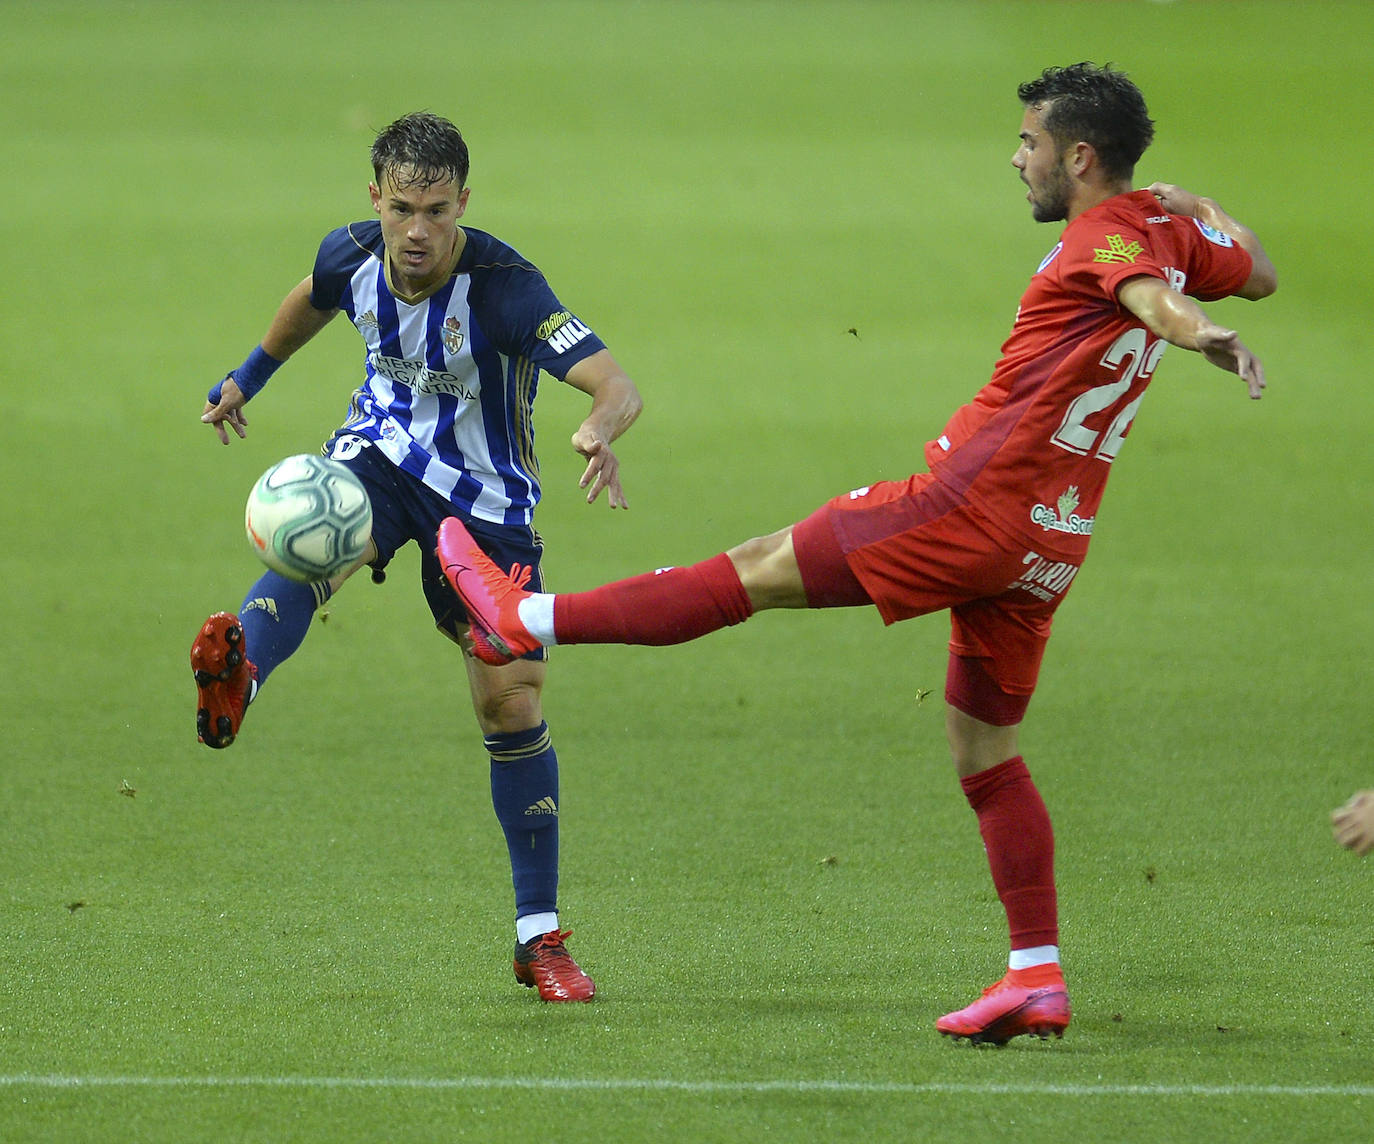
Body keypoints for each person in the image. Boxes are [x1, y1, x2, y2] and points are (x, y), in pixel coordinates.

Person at [435, 64, 1277, 1043]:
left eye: (1031, 144)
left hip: (973, 507)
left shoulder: (1106, 239)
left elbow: (1146, 297)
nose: (1018, 158)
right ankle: (1036, 973)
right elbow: (1254, 267)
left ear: (1079, 157)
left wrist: (1199, 330)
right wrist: (1200, 212)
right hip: (1053, 541)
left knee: (755, 569)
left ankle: (523, 616)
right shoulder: (1170, 226)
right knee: (986, 748)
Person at [191, 112, 643, 1003]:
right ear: (375, 201)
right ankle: (237, 681)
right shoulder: (350, 252)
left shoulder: (508, 289)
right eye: (402, 208)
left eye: (437, 209)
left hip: (486, 500)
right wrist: (248, 375)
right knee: (319, 534)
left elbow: (614, 382)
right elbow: (308, 301)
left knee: (509, 699)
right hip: (382, 456)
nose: (418, 231)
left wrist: (598, 428)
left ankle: (537, 937)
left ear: (463, 202)